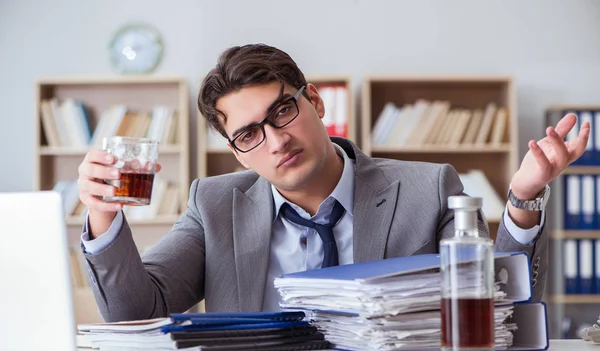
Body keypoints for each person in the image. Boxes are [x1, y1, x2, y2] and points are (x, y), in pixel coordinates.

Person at [78, 44, 590, 323]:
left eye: (283, 111)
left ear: (316, 104)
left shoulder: (428, 187)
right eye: (249, 134)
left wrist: (522, 200)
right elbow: (133, 311)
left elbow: (501, 309)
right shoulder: (213, 204)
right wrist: (102, 212)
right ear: (235, 151)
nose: (276, 141)